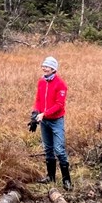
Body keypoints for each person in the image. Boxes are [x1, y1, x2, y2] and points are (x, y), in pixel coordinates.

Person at [30, 56, 71, 190]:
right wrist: (35, 114)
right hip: (44, 121)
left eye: (47, 67)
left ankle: (66, 180)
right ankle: (50, 177)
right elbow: (38, 99)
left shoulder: (61, 84)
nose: (44, 68)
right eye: (43, 66)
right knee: (47, 148)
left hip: (56, 121)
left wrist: (44, 114)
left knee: (59, 149)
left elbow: (59, 105)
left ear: (53, 69)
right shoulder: (41, 82)